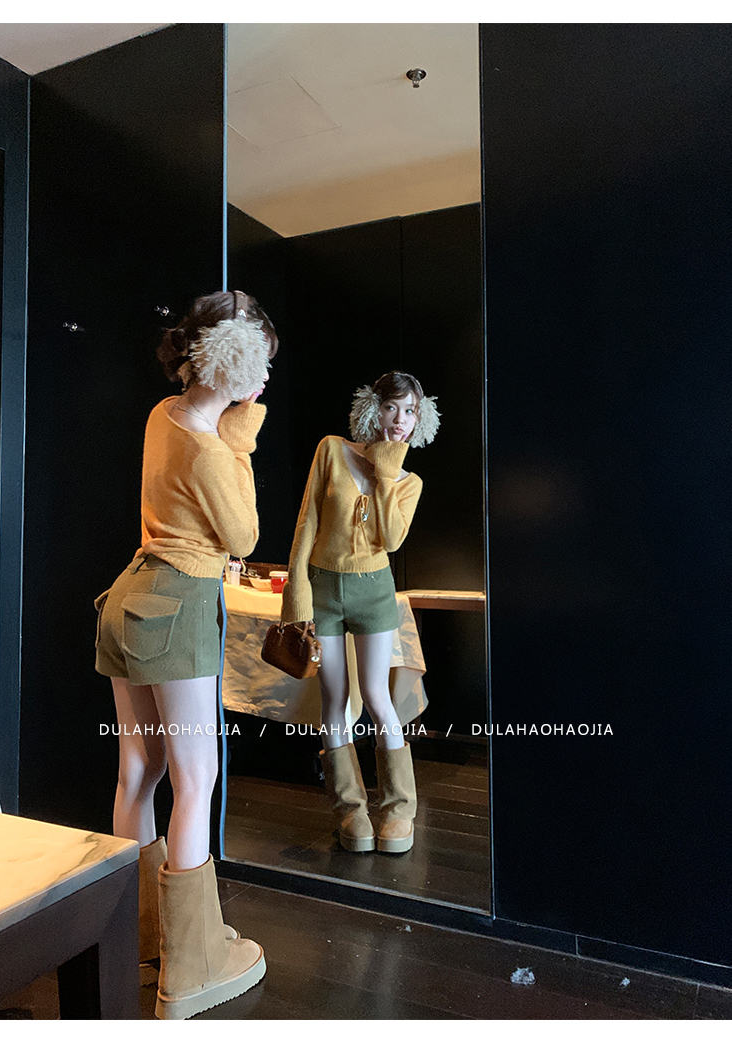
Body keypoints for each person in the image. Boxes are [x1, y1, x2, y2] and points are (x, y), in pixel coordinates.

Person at [94, 290, 276, 1020]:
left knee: (138, 772)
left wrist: (229, 410)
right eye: (260, 361)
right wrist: (245, 429)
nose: (265, 377)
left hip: (128, 597)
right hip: (179, 604)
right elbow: (245, 535)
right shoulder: (210, 447)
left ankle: (145, 940)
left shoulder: (162, 414)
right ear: (235, 362)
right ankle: (194, 968)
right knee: (196, 777)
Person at [281, 371, 440, 855]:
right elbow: (306, 524)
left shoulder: (409, 482)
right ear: (374, 408)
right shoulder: (332, 450)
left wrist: (387, 471)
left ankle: (399, 809)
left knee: (377, 696)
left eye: (410, 411)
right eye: (392, 407)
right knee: (335, 698)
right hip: (323, 589)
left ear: (420, 420)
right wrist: (296, 597)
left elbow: (390, 539)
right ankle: (350, 810)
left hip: (374, 593)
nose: (400, 419)